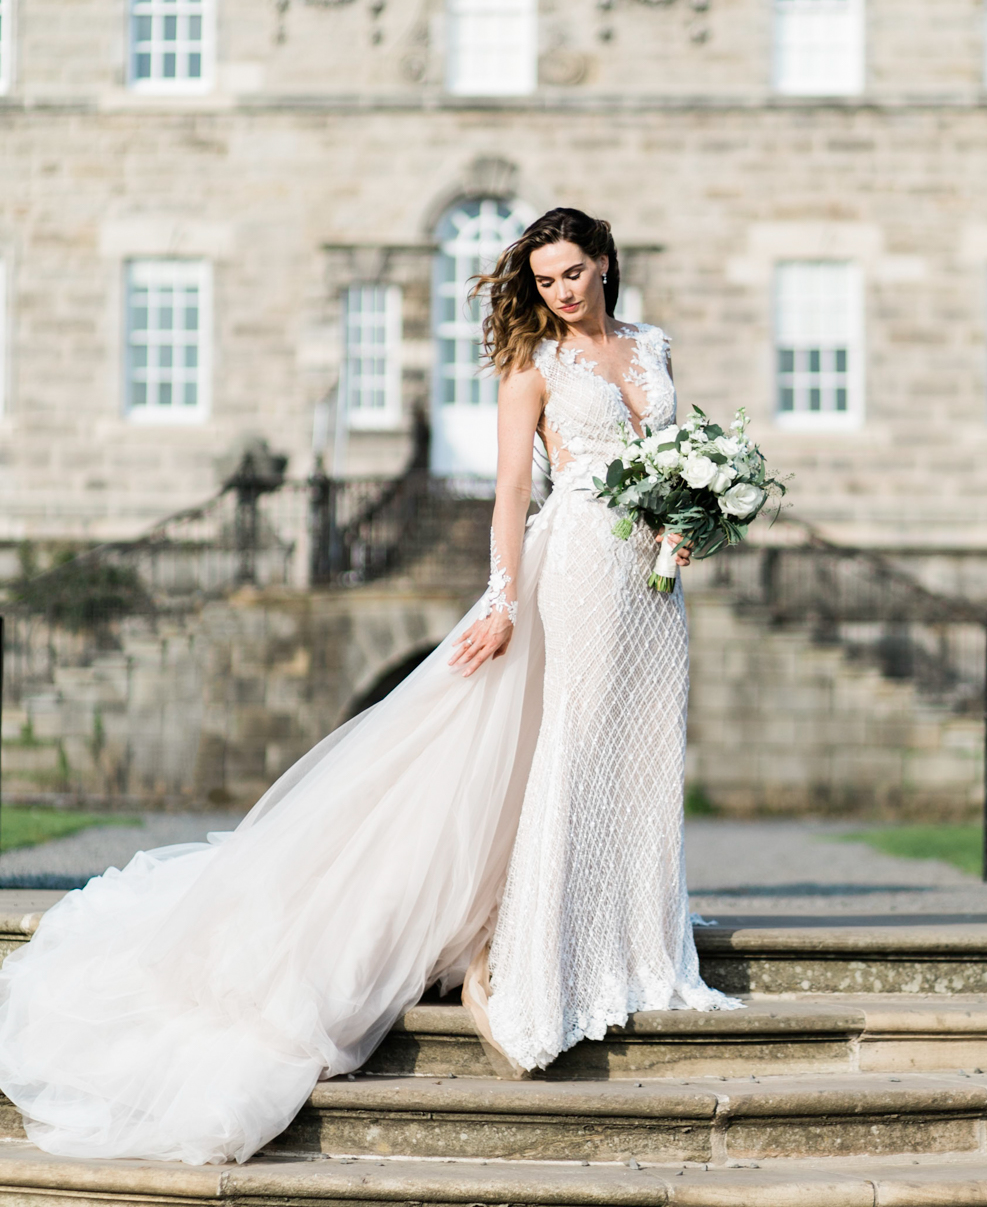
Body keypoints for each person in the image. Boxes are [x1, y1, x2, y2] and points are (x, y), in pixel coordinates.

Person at [0, 208, 737, 1166]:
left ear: (604, 264)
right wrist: (503, 597)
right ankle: (518, 952)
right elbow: (516, 488)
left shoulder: (650, 344)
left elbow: (678, 456)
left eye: (572, 274)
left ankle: (637, 932)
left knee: (641, 754)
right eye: (545, 279)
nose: (559, 292)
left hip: (655, 585)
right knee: (574, 744)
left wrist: (694, 522)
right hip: (582, 573)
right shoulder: (534, 367)